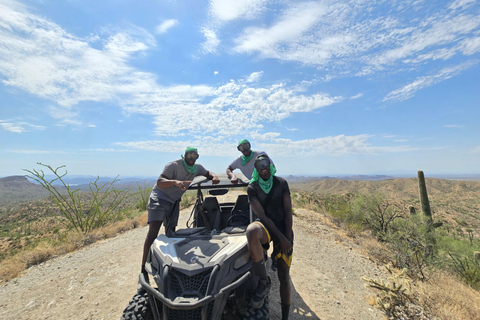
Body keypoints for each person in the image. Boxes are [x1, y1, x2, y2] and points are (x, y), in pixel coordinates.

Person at [141, 147, 220, 280]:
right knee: (153, 233)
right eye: (189, 155)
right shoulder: (173, 165)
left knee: (171, 234)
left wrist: (215, 176)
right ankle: (143, 267)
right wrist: (175, 182)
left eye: (194, 156)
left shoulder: (197, 168)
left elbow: (208, 173)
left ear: (197, 157)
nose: (191, 158)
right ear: (184, 155)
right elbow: (160, 182)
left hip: (174, 201)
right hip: (160, 198)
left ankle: (169, 266)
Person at [246, 154, 293, 320]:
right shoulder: (252, 187)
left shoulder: (281, 183)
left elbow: (288, 211)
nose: (263, 167)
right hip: (266, 227)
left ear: (270, 165)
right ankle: (264, 281)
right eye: (259, 165)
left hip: (283, 228)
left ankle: (285, 317)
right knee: (252, 231)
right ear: (256, 169)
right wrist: (280, 237)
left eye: (265, 163)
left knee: (284, 277)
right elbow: (263, 217)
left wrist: (286, 238)